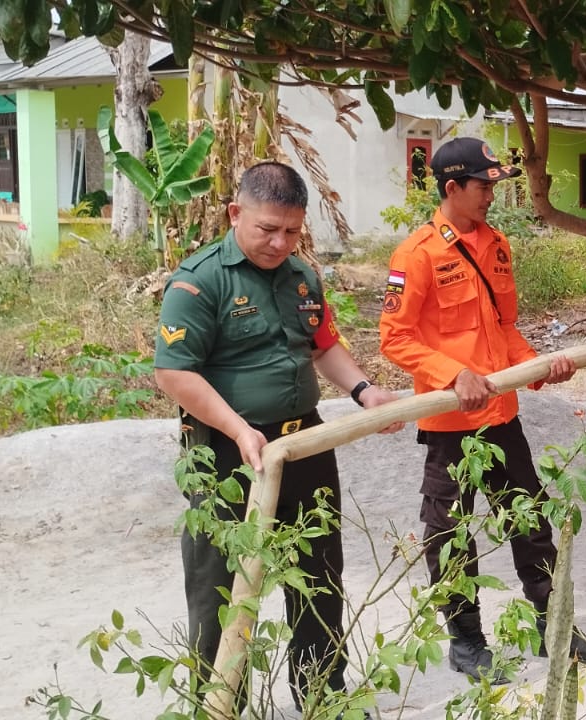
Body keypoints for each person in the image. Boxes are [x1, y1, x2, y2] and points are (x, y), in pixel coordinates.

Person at [154, 162, 404, 706]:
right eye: (267, 228)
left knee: (319, 574)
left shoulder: (301, 276)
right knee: (221, 585)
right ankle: (220, 703)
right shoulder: (199, 282)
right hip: (226, 453)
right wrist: (240, 430)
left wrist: (365, 391)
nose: (279, 242)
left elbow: (322, 345)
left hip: (304, 444)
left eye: (292, 231)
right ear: (235, 213)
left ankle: (321, 696)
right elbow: (173, 373)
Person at [378, 136, 586, 682]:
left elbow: (504, 328)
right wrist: (451, 373)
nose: (490, 196)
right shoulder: (416, 254)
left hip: (502, 419)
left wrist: (537, 364)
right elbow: (395, 337)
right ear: (452, 188)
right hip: (448, 427)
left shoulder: (498, 244)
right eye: (483, 187)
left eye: (493, 186)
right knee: (451, 533)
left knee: (530, 525)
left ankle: (553, 628)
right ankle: (466, 642)